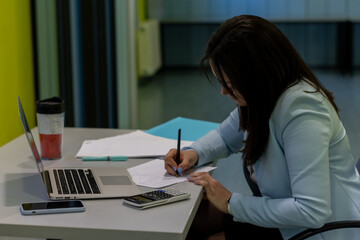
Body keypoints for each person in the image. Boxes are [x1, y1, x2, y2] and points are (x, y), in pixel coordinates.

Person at [164, 15, 360, 239]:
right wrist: (193, 153)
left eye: (229, 84)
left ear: (257, 75)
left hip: (317, 231)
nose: (223, 92)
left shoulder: (302, 111)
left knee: (204, 232)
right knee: (197, 220)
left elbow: (312, 211)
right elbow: (225, 136)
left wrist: (230, 202)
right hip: (283, 218)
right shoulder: (262, 97)